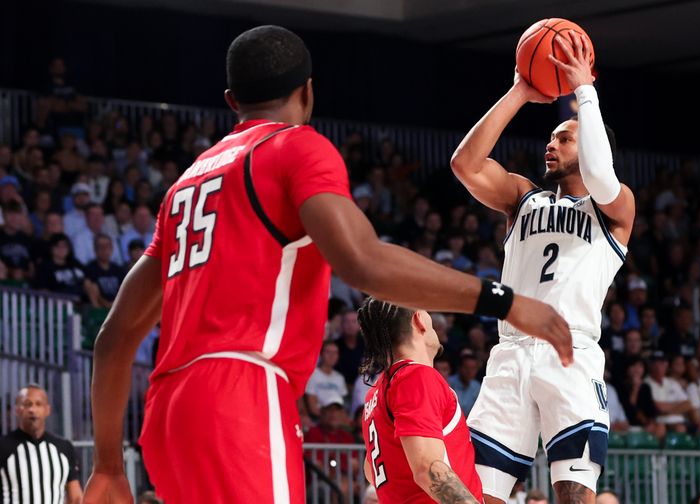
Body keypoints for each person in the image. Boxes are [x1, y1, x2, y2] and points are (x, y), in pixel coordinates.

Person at [84, 25, 571, 504]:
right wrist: (502, 301)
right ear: (307, 92)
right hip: (239, 393)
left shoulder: (184, 187)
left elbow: (115, 336)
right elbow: (363, 263)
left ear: (232, 100)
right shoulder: (295, 147)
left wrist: (107, 464)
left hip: (168, 411)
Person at [450, 30, 635, 503]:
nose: (550, 145)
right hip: (510, 353)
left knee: (574, 492)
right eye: (552, 137)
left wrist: (583, 92)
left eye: (564, 138)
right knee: (481, 493)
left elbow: (599, 175)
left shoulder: (615, 208)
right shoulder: (522, 198)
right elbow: (465, 165)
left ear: (592, 145)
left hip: (568, 351)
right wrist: (519, 92)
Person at [359, 297, 483, 503]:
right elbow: (428, 468)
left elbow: (370, 471)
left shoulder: (376, 392)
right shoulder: (416, 376)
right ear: (419, 321)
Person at [0, 384, 83, 503]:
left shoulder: (64, 448)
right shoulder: (3, 447)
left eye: (38, 404)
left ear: (47, 410)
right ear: (17, 410)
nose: (32, 410)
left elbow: (76, 497)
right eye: (27, 404)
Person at [645, 351, 694, 433]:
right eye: (656, 363)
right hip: (659, 423)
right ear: (650, 365)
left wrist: (667, 410)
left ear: (667, 365)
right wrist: (676, 405)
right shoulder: (646, 384)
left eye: (662, 363)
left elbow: (687, 404)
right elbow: (656, 407)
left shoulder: (672, 382)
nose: (659, 366)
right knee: (675, 429)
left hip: (679, 422)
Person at [305, 340, 348, 417]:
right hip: (319, 419)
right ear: (321, 354)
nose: (331, 356)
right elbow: (312, 407)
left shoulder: (340, 378)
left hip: (336, 420)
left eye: (335, 353)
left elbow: (342, 407)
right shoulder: (312, 374)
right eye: (328, 352)